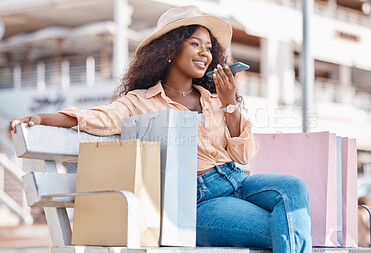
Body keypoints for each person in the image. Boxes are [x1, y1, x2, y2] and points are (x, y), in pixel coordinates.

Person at [9, 5, 312, 252]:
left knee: (294, 188)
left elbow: (244, 155)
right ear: (170, 49)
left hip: (237, 181)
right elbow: (95, 118)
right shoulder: (140, 103)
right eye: (195, 43)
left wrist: (230, 104)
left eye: (209, 47)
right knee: (281, 224)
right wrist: (42, 118)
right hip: (196, 202)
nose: (205, 53)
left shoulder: (214, 99)